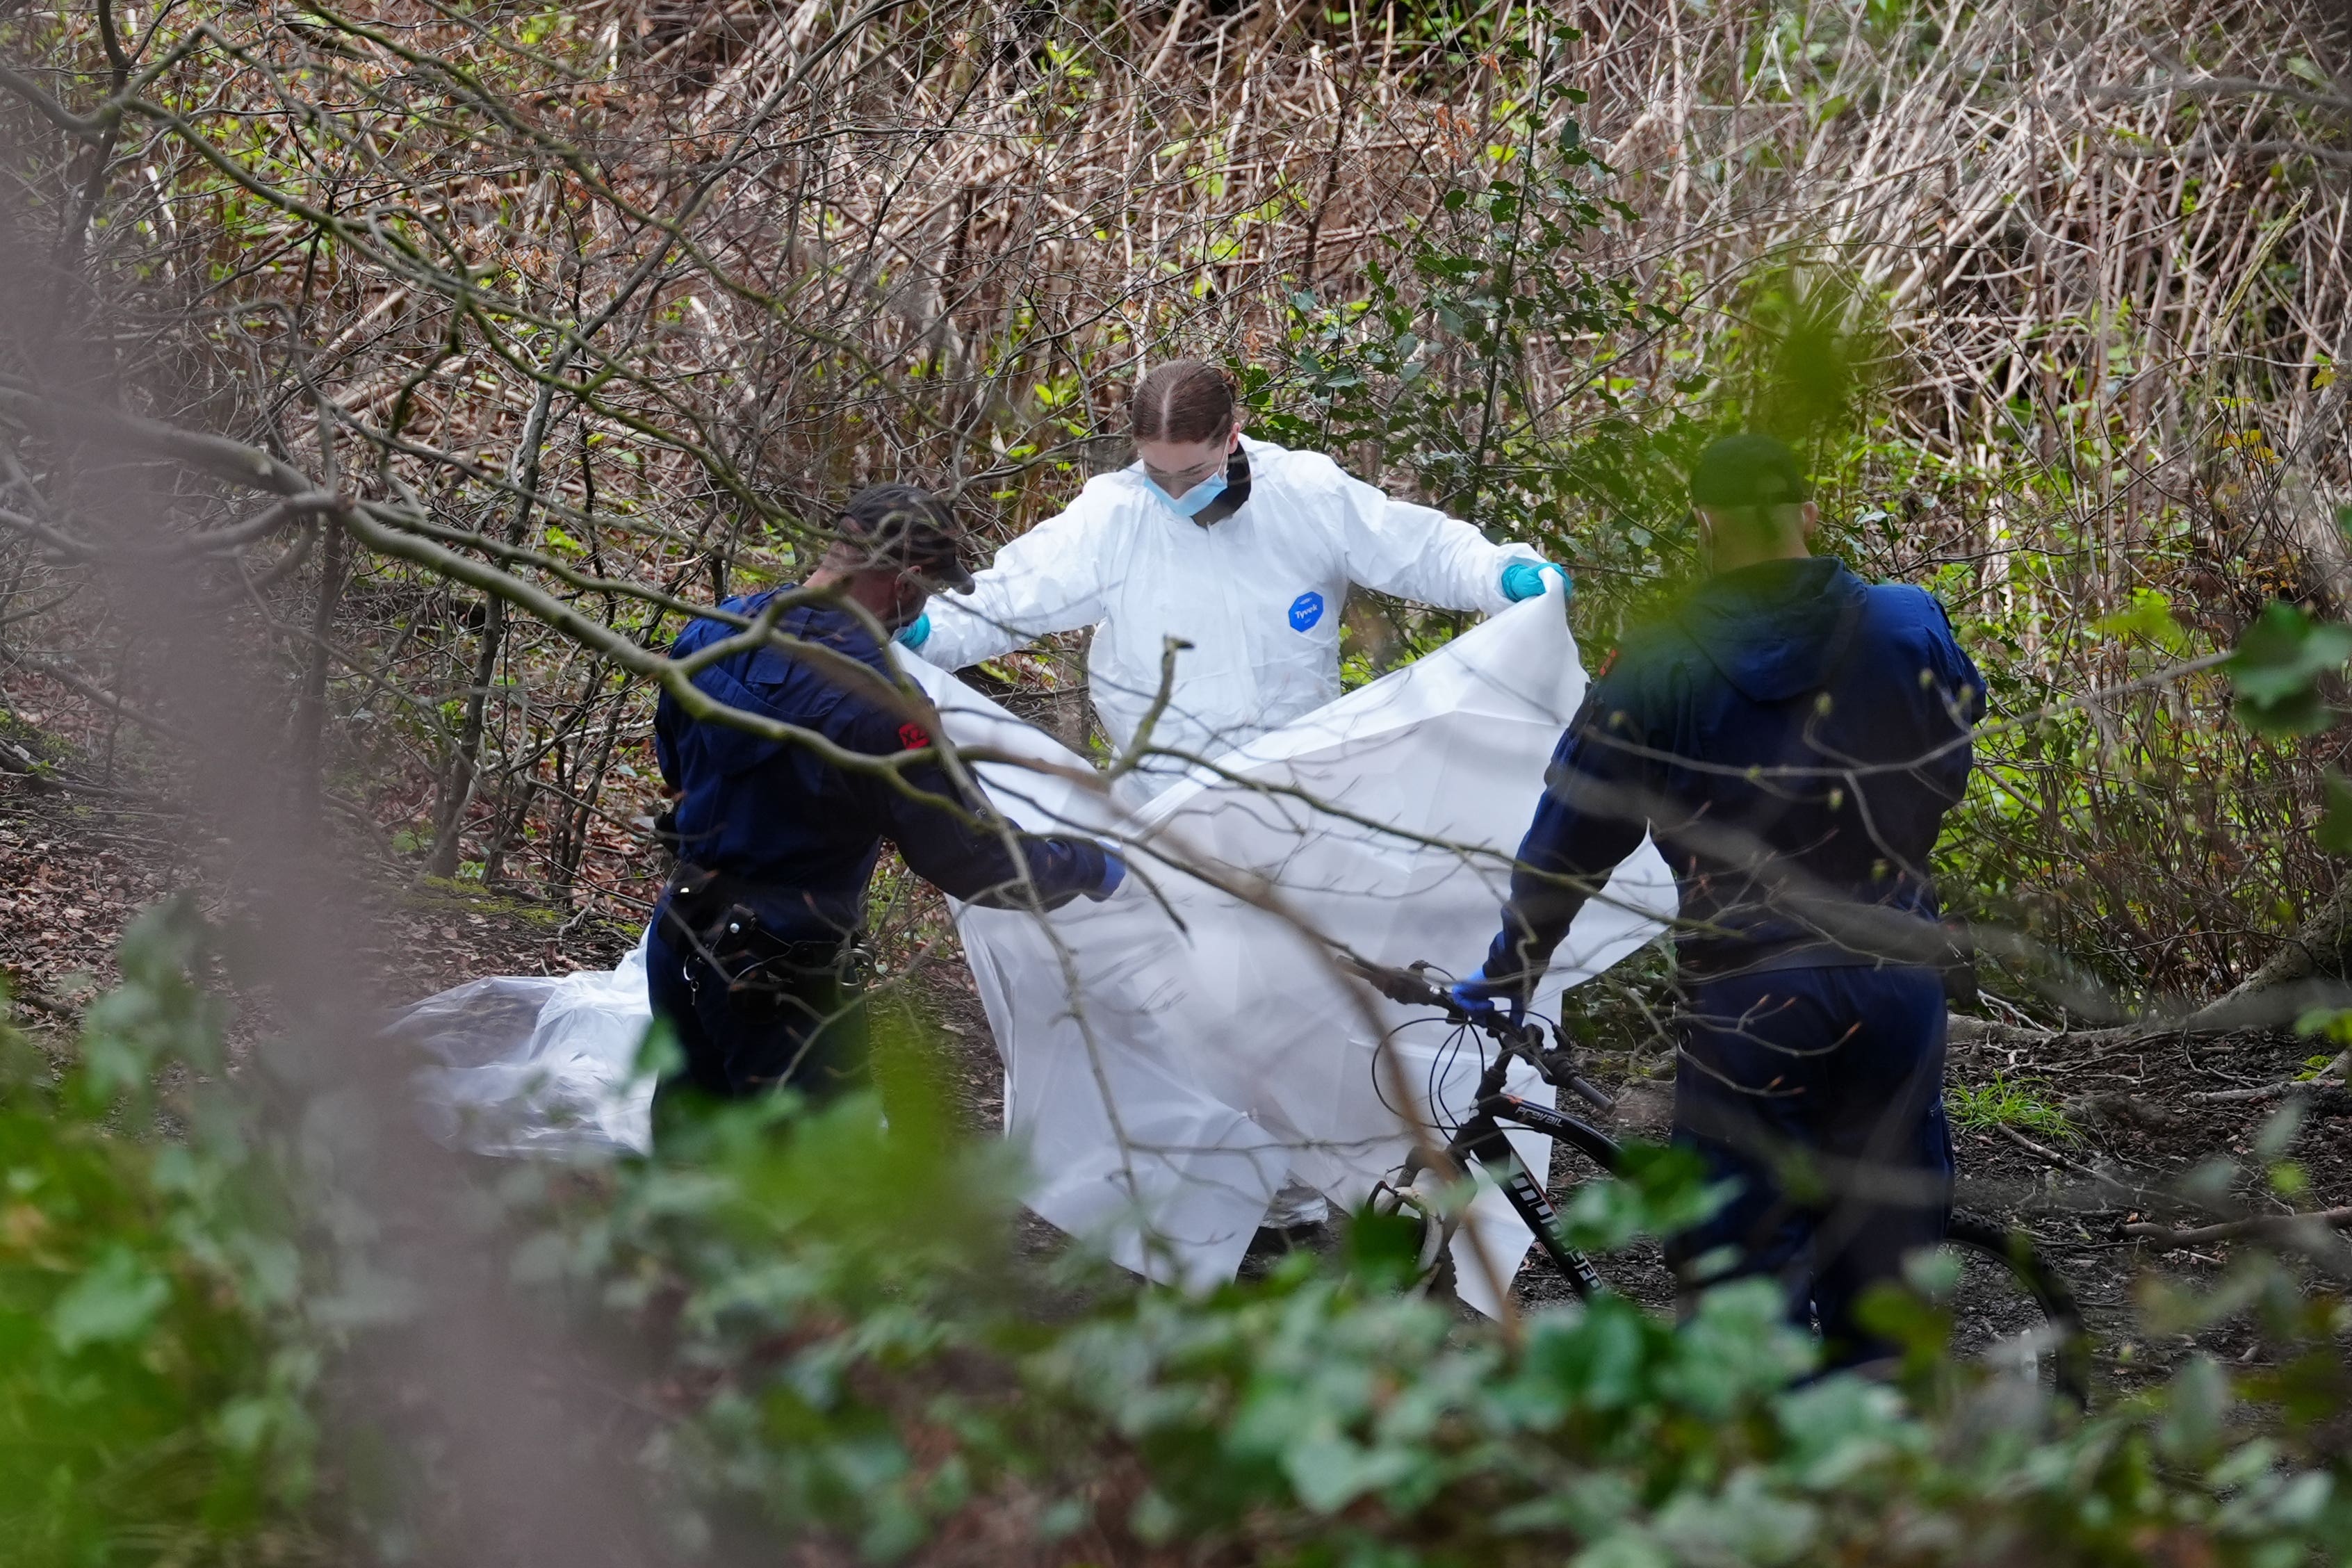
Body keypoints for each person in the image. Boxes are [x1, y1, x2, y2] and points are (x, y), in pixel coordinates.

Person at [1455, 433, 1984, 1368]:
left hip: (1753, 1001)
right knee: (1890, 1281)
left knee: (1744, 1287)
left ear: (1705, 522)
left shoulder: (1658, 662)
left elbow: (1570, 838)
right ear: (1808, 513)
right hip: (1893, 977)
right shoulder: (1908, 623)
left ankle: (1773, 1488)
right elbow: (1948, 761)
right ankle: (1895, 1492)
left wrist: (1511, 974)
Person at [649, 484, 1126, 1125]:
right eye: (927, 591)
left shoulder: (719, 627)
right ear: (905, 583)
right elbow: (976, 857)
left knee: (690, 1144)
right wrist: (1089, 865)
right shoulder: (879, 709)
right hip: (779, 978)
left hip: (681, 934)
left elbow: (673, 762)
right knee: (812, 1185)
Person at [899, 359, 1571, 794]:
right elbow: (1011, 596)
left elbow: (1416, 548)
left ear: (1232, 436)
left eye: (1191, 473)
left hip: (1302, 789)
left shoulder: (1304, 492)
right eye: (1155, 473)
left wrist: (1500, 573)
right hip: (1171, 809)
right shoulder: (1115, 517)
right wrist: (922, 631)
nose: (1172, 489)